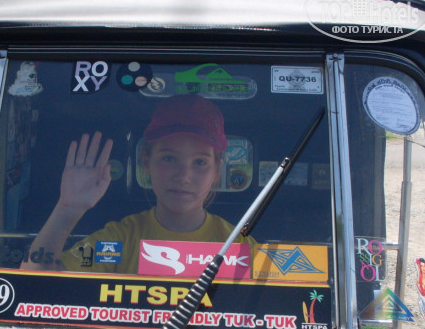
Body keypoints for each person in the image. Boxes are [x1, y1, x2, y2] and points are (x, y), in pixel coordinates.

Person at [21, 94, 253, 273]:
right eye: (169, 158)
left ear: (217, 170)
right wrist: (68, 209)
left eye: (200, 162)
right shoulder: (119, 240)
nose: (184, 176)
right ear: (146, 161)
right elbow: (35, 280)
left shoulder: (239, 247)